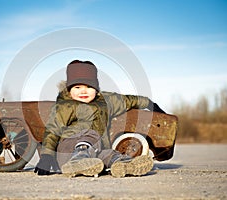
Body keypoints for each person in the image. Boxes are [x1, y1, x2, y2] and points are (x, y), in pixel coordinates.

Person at [34, 60, 166, 178]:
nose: (83, 91)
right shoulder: (65, 106)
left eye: (89, 87)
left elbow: (127, 100)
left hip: (94, 153)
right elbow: (52, 131)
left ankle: (123, 165)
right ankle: (78, 160)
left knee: (108, 153)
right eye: (77, 87)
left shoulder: (106, 102)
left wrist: (150, 104)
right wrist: (47, 156)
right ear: (69, 90)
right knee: (90, 133)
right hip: (66, 152)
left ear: (96, 89)